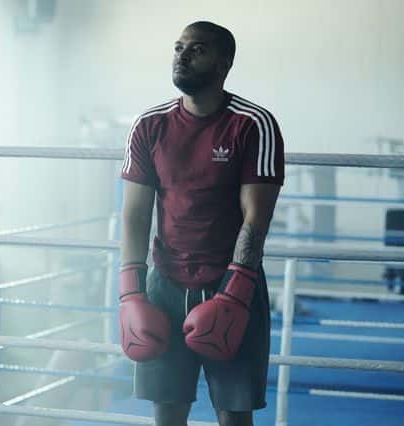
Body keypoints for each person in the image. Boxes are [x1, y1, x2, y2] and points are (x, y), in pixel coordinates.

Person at [117, 21, 284, 426]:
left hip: (231, 280)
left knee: (234, 413)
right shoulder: (149, 125)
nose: (183, 56)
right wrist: (131, 293)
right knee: (167, 411)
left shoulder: (252, 123)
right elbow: (135, 213)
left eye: (197, 49)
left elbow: (256, 216)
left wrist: (235, 292)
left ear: (223, 64)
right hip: (165, 284)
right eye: (179, 47)